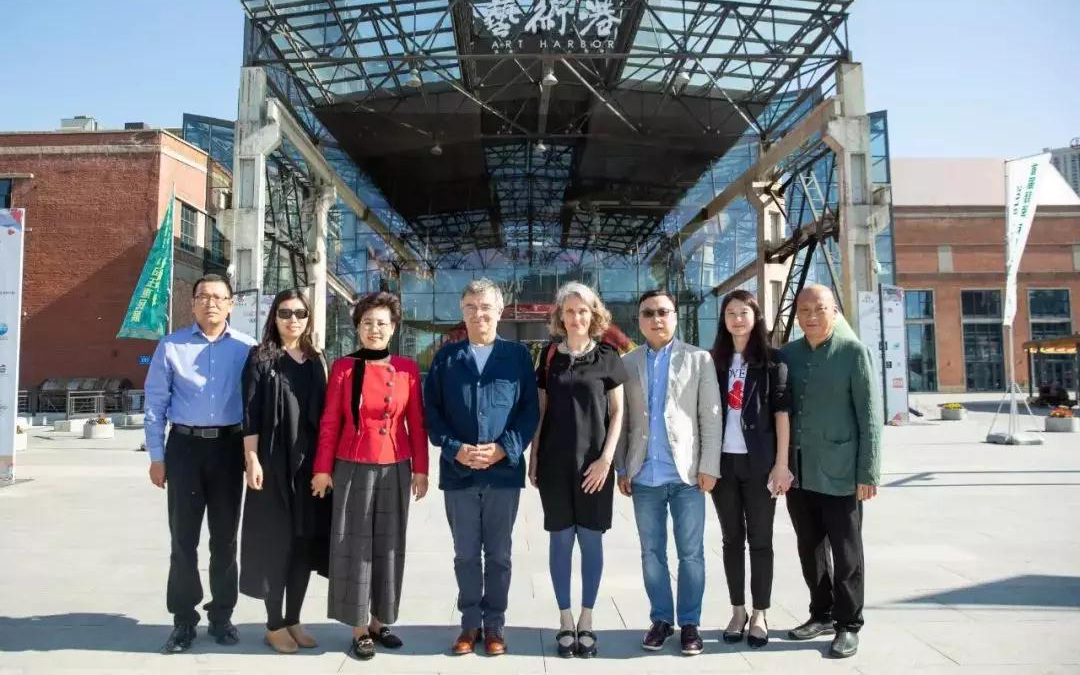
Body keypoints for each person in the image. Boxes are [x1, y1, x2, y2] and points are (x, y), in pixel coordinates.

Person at [424, 278, 540, 656]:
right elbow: (432, 412)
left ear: (500, 310)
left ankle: (495, 626)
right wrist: (455, 449)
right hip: (459, 473)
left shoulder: (517, 357)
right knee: (466, 554)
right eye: (471, 307)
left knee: (500, 555)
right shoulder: (446, 358)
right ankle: (470, 623)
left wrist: (504, 449)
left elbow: (529, 412)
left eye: (486, 307)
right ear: (462, 312)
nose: (479, 314)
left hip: (502, 475)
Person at [311, 292, 429, 661]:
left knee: (389, 545)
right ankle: (358, 627)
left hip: (395, 464)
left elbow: (417, 424)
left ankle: (380, 621)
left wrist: (421, 469)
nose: (374, 329)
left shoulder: (407, 369)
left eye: (381, 323)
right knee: (354, 546)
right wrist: (322, 468)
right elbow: (330, 421)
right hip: (353, 464)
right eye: (367, 323)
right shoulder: (344, 368)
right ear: (358, 328)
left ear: (393, 328)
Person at [144, 274, 257, 654]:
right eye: (203, 297)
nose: (211, 303)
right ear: (192, 304)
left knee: (225, 540)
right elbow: (155, 406)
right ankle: (183, 620)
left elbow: (256, 407)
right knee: (183, 540)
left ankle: (222, 616)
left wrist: (254, 457)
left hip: (228, 450)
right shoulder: (171, 346)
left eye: (219, 297)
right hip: (185, 450)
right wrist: (157, 457)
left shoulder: (247, 349)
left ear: (231, 305)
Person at [615, 289, 721, 656]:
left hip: (687, 476)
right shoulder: (627, 363)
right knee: (651, 553)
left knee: (691, 554)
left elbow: (710, 417)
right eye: (648, 313)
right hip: (644, 475)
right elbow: (622, 420)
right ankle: (661, 619)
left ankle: (690, 623)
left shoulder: (698, 359)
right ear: (639, 320)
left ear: (674, 316)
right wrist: (621, 467)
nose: (656, 319)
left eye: (663, 312)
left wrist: (709, 466)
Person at [781, 284, 881, 659]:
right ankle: (820, 613)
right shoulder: (788, 354)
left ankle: (848, 624)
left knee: (846, 552)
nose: (811, 316)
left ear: (834, 311)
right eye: (804, 310)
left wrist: (868, 472)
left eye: (819, 308)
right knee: (810, 548)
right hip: (800, 473)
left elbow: (870, 417)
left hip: (841, 472)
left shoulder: (854, 352)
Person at [530, 282, 627, 658]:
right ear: (561, 316)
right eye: (569, 311)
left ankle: (587, 619)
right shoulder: (549, 355)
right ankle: (565, 619)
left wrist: (606, 460)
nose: (576, 317)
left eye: (583, 310)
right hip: (555, 464)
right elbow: (541, 410)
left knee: (590, 541)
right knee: (559, 541)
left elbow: (618, 413)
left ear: (594, 314)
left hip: (594, 467)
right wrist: (534, 456)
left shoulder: (608, 355)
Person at [238, 289, 331, 654]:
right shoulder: (260, 357)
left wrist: (326, 465)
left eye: (300, 313)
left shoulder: (316, 359)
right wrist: (252, 459)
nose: (293, 320)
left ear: (308, 319)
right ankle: (274, 623)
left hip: (309, 466)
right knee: (275, 544)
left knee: (303, 543)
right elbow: (249, 413)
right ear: (274, 317)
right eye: (285, 313)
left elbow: (326, 415)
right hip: (273, 463)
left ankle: (293, 618)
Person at [709, 290, 791, 649]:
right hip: (723, 464)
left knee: (760, 540)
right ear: (723, 319)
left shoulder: (773, 361)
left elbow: (782, 415)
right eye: (730, 313)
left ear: (756, 317)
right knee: (731, 540)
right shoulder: (713, 361)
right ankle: (738, 611)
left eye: (744, 312)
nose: (737, 319)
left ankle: (760, 613)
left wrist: (781, 464)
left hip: (759, 465)